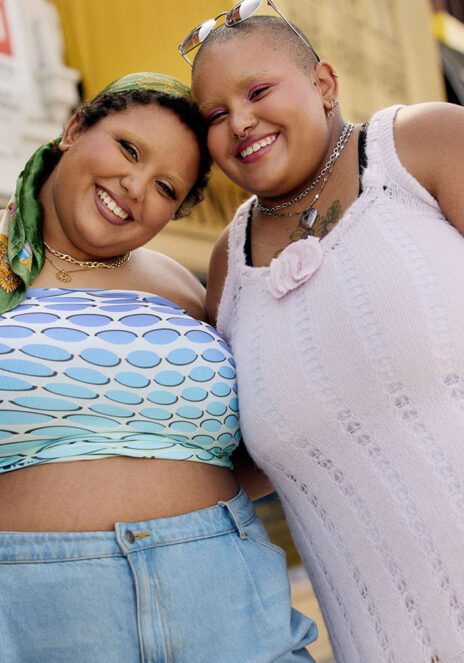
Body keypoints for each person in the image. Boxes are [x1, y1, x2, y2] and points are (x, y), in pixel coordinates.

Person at [0, 72, 316, 662]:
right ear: (73, 129)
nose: (136, 186)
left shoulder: (182, 290)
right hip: (9, 615)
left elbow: (257, 444)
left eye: (166, 187)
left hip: (221, 600)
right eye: (128, 149)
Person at [186, 5, 464, 662]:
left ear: (325, 84)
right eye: (215, 115)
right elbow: (234, 465)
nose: (241, 122)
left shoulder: (421, 144)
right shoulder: (227, 267)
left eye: (257, 92)